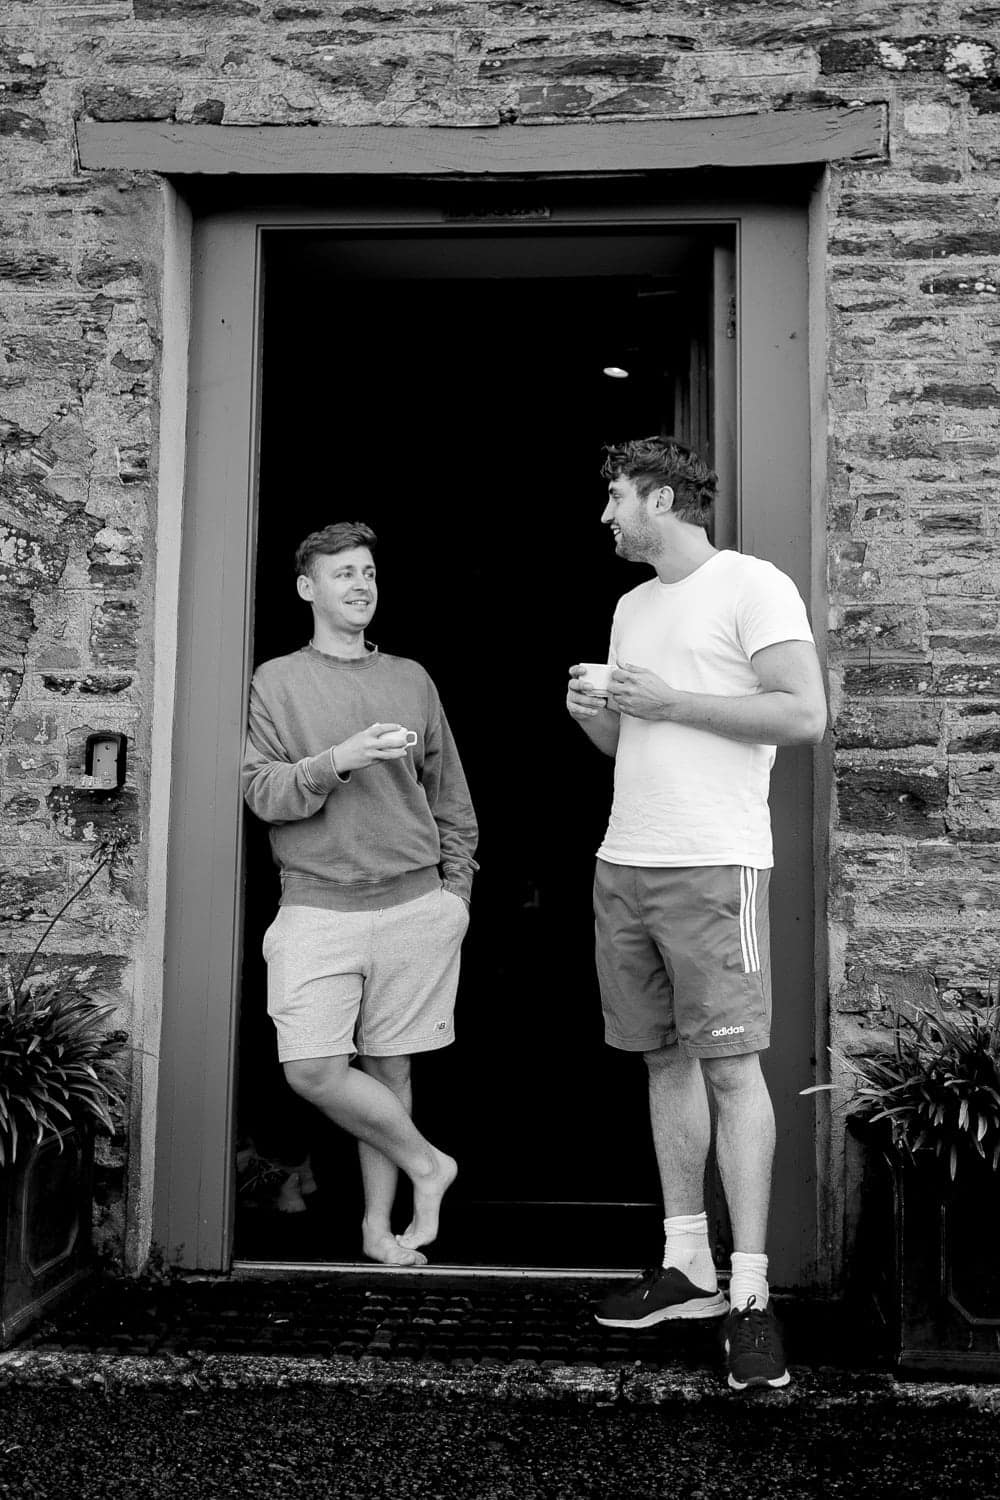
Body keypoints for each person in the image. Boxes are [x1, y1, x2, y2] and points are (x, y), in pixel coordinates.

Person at [566, 437, 826, 1390]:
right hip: (625, 861)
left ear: (663, 498)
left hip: (714, 868)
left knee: (729, 1068)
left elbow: (803, 714)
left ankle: (751, 1299)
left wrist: (671, 700)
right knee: (661, 1059)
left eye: (617, 498)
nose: (607, 516)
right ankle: (688, 1269)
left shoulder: (754, 586)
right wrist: (598, 712)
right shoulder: (633, 605)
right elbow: (631, 743)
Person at [242, 521, 477, 1266]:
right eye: (343, 573)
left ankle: (379, 1230)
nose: (361, 585)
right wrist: (336, 761)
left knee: (390, 1070)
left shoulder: (411, 678)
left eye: (368, 572)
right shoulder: (275, 681)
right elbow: (264, 794)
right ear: (308, 587)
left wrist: (457, 893)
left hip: (417, 904)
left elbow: (452, 798)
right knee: (312, 1068)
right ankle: (429, 1165)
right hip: (317, 905)